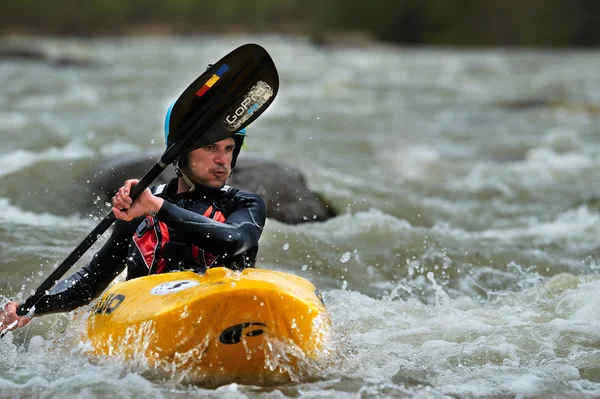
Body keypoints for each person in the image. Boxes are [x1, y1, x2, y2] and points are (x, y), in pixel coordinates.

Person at [0, 127, 266, 334]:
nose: (223, 160)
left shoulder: (244, 204)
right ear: (182, 151)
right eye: (211, 147)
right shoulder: (140, 206)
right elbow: (91, 280)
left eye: (229, 149)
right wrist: (31, 308)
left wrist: (156, 207)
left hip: (225, 318)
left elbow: (234, 240)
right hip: (148, 321)